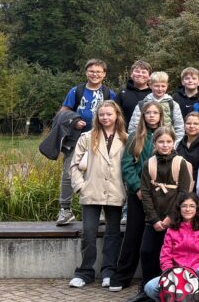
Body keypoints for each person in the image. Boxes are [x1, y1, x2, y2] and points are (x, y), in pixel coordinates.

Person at [125, 127, 195, 302]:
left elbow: (183, 194)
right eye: (161, 142)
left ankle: (172, 289)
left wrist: (171, 217)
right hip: (154, 218)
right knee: (147, 251)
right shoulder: (149, 164)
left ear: (173, 143)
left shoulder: (180, 163)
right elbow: (146, 193)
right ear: (155, 143)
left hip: (174, 219)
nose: (165, 145)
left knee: (172, 254)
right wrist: (154, 218)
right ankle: (146, 290)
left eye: (168, 142)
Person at [67, 100, 127, 288]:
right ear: (97, 116)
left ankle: (109, 271)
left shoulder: (125, 138)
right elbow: (74, 165)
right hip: (91, 190)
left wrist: (127, 189)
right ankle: (85, 272)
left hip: (115, 191)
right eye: (102, 114)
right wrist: (80, 186)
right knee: (88, 232)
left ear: (117, 115)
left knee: (113, 233)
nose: (105, 117)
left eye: (109, 114)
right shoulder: (87, 137)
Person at [55, 58, 117, 225]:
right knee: (69, 172)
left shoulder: (109, 94)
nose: (95, 74)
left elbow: (114, 115)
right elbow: (63, 113)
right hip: (76, 138)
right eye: (91, 71)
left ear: (104, 74)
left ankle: (100, 210)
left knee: (100, 173)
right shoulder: (76, 91)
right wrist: (74, 121)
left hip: (100, 138)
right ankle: (65, 209)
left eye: (98, 72)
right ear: (86, 72)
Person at [111, 101, 161, 293]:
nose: (151, 116)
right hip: (139, 194)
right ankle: (123, 275)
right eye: (148, 113)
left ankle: (158, 276)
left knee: (158, 235)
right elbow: (127, 165)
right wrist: (137, 187)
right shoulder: (135, 137)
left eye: (155, 112)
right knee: (133, 234)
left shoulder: (165, 136)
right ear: (143, 116)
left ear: (160, 115)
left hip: (160, 196)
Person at [143, 193, 199, 302]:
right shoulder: (171, 230)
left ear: (197, 209)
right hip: (176, 274)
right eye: (184, 206)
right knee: (149, 287)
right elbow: (165, 256)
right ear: (179, 208)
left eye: (192, 206)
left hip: (197, 273)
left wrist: (189, 274)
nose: (188, 209)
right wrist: (172, 274)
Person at [128, 71, 184, 138]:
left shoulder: (173, 104)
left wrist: (175, 143)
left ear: (167, 86)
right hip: (145, 141)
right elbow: (133, 128)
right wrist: (137, 142)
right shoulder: (141, 105)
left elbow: (179, 128)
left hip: (166, 142)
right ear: (150, 85)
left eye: (163, 86)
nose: (160, 89)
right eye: (156, 86)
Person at [117, 60, 151, 128]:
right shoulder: (122, 94)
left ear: (149, 76)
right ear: (131, 74)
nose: (140, 74)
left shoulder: (154, 94)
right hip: (126, 133)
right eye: (137, 71)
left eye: (144, 72)